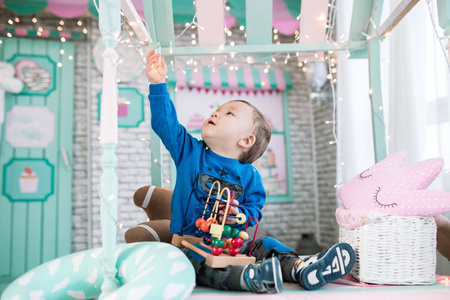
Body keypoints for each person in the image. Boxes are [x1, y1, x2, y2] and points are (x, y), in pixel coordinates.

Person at [124, 50, 355, 293]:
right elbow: (164, 123)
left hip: (232, 243)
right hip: (192, 244)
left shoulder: (250, 176)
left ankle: (301, 267)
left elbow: (253, 210)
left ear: (246, 140)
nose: (215, 113)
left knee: (266, 245)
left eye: (228, 113)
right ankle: (249, 277)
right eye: (217, 110)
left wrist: (240, 215)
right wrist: (157, 83)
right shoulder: (189, 152)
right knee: (204, 264)